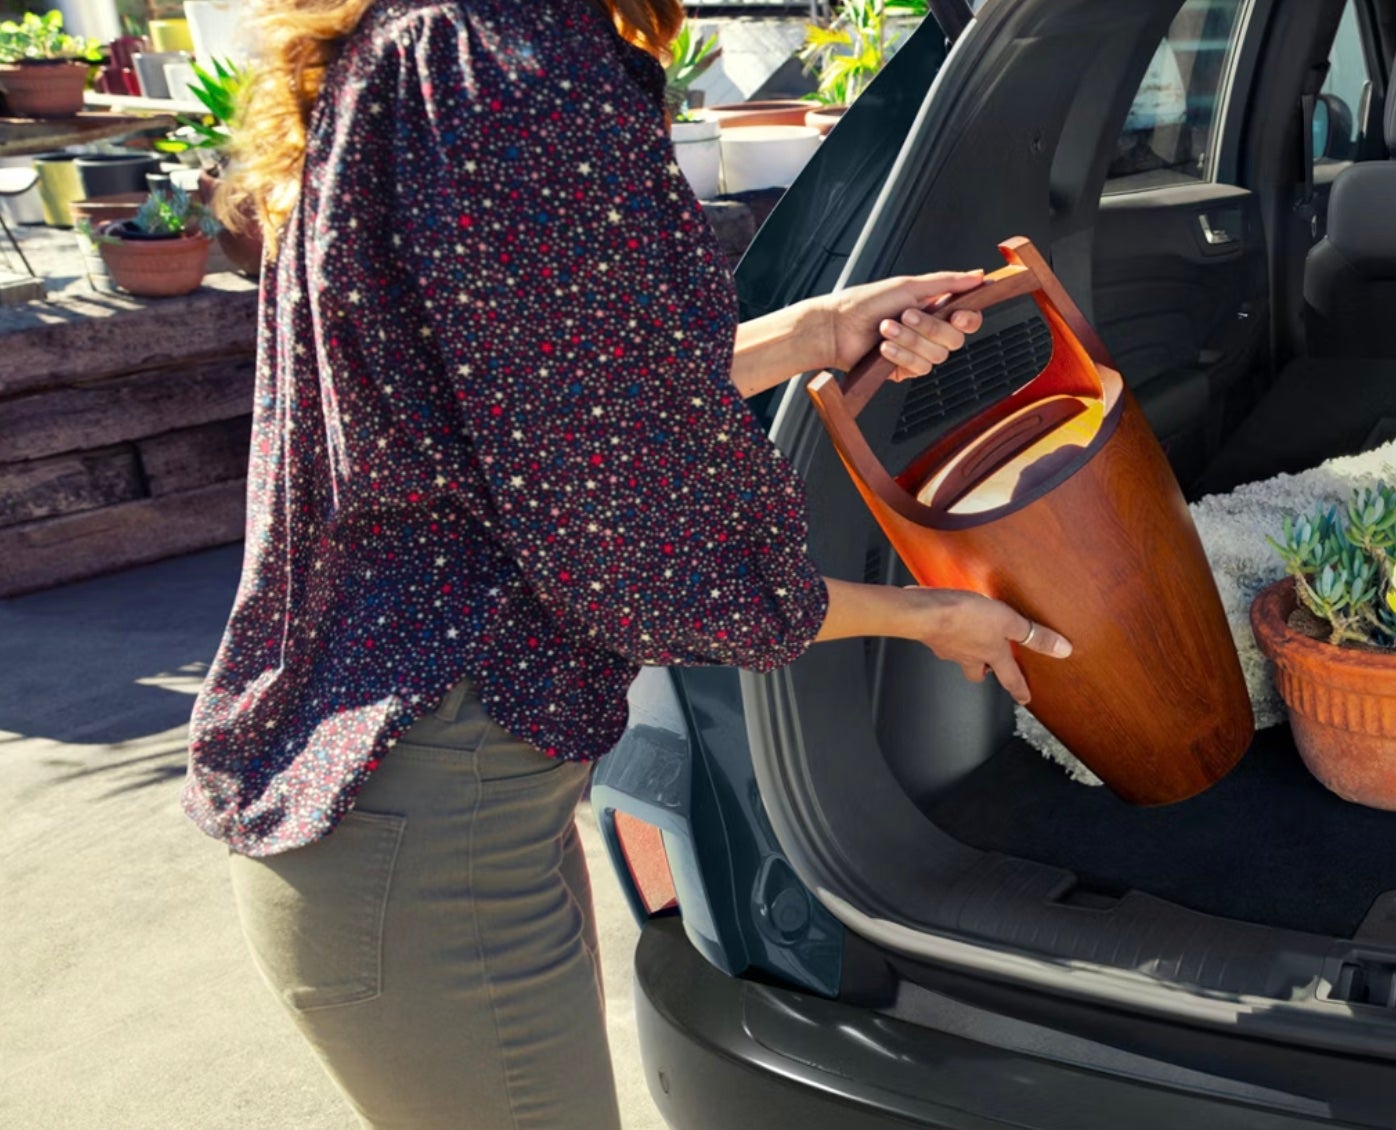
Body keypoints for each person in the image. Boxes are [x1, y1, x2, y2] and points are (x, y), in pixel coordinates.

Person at [183, 0, 1068, 1125]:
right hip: (428, 805)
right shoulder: (515, 65)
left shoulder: (434, 43)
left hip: (415, 798)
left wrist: (816, 332)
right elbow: (641, 547)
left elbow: (547, 404)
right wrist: (928, 616)